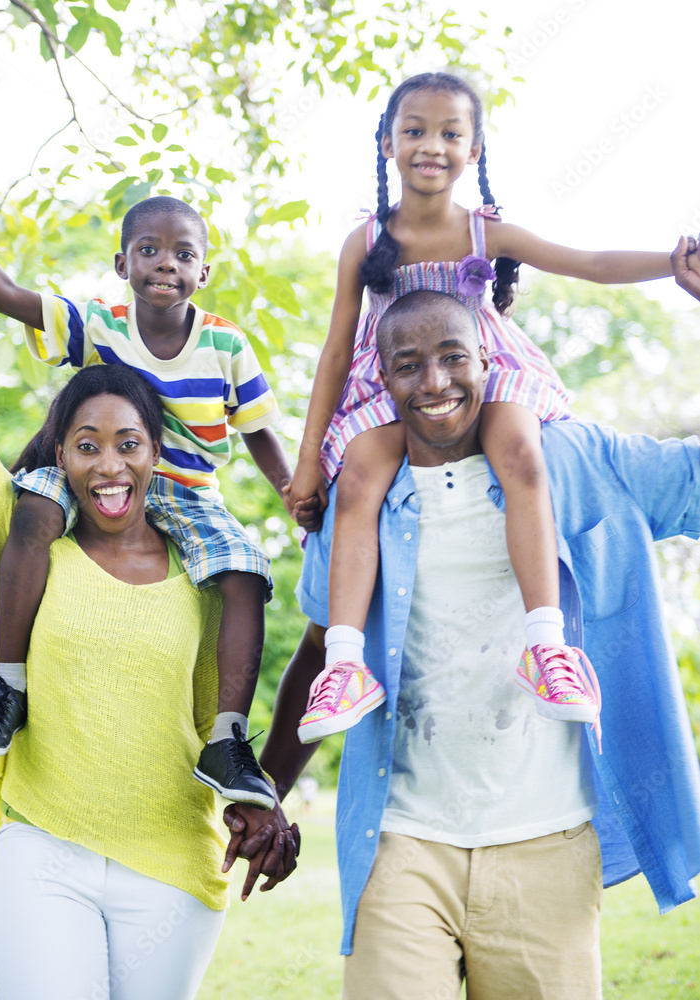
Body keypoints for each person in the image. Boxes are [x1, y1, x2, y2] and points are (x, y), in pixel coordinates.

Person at [224, 262, 700, 998]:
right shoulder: (359, 496)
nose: (435, 384)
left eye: (453, 359)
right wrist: (270, 795)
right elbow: (318, 652)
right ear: (381, 379)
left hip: (547, 842)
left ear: (490, 358)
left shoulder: (577, 462)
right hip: (403, 841)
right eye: (408, 367)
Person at [0, 215, 278, 1000]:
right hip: (45, 854)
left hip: (172, 864)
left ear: (157, 454)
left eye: (129, 444)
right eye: (87, 444)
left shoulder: (203, 570)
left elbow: (209, 712)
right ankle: (6, 690)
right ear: (59, 453)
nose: (108, 464)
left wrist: (256, 801)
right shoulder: (22, 533)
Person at [285, 71, 684, 746]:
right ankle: (346, 665)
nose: (430, 145)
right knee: (356, 481)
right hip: (394, 381)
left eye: (449, 133)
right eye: (413, 130)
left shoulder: (483, 232)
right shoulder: (365, 240)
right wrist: (305, 465)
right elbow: (333, 352)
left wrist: (671, 263)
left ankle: (547, 646)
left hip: (484, 371)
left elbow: (587, 260)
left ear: (473, 150)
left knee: (522, 455)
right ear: (386, 143)